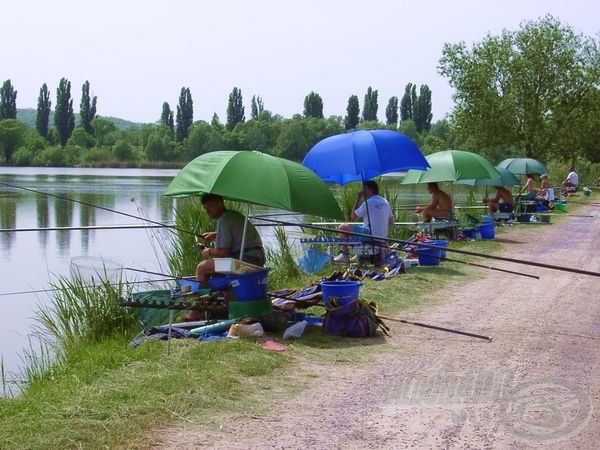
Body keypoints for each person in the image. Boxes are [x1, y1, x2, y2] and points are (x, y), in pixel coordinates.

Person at [195, 194, 265, 288]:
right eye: (205, 208)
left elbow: (223, 252)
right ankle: (218, 295)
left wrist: (208, 251)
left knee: (202, 268)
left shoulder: (224, 220)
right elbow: (236, 233)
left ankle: (201, 298)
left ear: (219, 204)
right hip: (256, 258)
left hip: (245, 261)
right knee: (214, 270)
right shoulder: (233, 215)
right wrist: (216, 234)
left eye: (210, 206)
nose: (207, 211)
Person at [334, 180, 393, 263]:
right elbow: (391, 221)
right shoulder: (385, 202)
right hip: (382, 236)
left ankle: (344, 255)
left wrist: (358, 198)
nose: (363, 192)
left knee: (343, 227)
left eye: (364, 189)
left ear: (369, 190)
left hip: (371, 235)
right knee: (359, 228)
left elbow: (353, 217)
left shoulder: (368, 202)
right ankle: (358, 255)